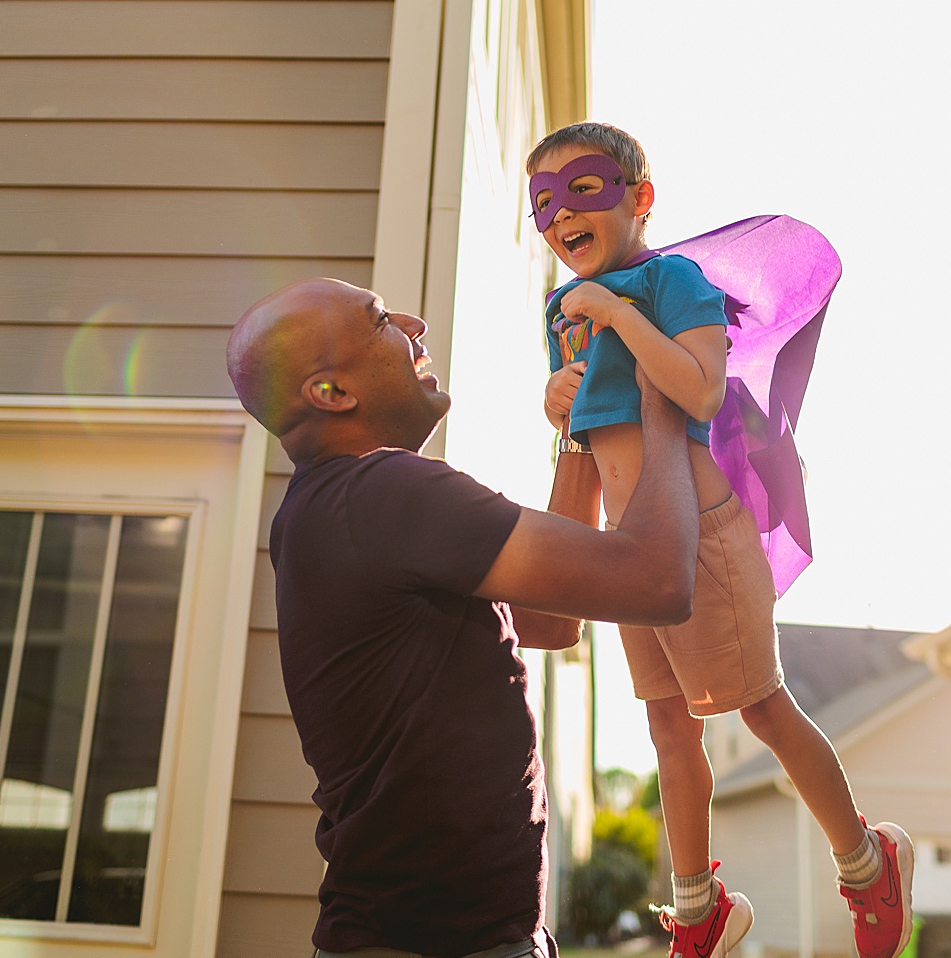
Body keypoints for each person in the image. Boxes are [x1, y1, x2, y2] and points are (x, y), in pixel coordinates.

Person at [524, 122, 915, 958]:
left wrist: (617, 318)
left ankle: (867, 862)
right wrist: (560, 403)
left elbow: (700, 391)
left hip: (702, 534)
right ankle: (700, 909)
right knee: (667, 725)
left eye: (583, 190)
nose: (561, 216)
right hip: (627, 552)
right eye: (544, 204)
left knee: (763, 707)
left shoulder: (672, 282)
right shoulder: (563, 311)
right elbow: (593, 439)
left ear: (640, 196)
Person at [226, 277, 705, 958]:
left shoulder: (329, 511)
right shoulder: (385, 492)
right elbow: (659, 580)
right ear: (331, 394)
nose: (413, 324)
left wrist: (578, 436)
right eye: (379, 319)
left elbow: (549, 619)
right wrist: (660, 389)